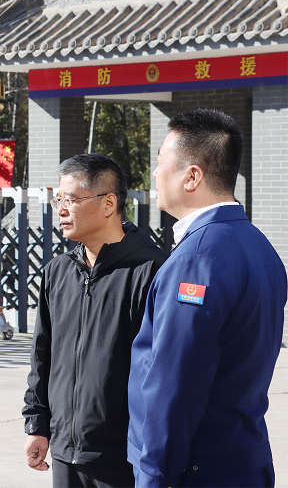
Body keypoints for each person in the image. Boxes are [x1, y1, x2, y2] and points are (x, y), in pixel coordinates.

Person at [127, 109, 286, 487]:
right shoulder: (258, 245)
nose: (154, 173)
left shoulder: (197, 259)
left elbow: (174, 384)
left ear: (192, 176)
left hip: (197, 469)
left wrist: (153, 477)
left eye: (161, 161)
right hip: (242, 457)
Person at [23, 154, 168, 487]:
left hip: (125, 457)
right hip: (64, 452)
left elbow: (164, 372)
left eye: (71, 200)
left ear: (108, 203)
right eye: (58, 200)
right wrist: (37, 426)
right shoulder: (57, 271)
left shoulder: (152, 271)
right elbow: (42, 357)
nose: (61, 210)